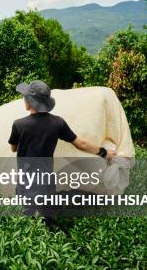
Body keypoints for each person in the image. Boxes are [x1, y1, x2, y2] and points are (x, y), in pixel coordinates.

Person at [8, 80, 116, 224]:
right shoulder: (57, 123)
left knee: (27, 219)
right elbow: (81, 144)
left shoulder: (19, 124)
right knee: (47, 217)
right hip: (46, 181)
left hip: (25, 181)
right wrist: (104, 152)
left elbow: (13, 148)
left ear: (30, 101)